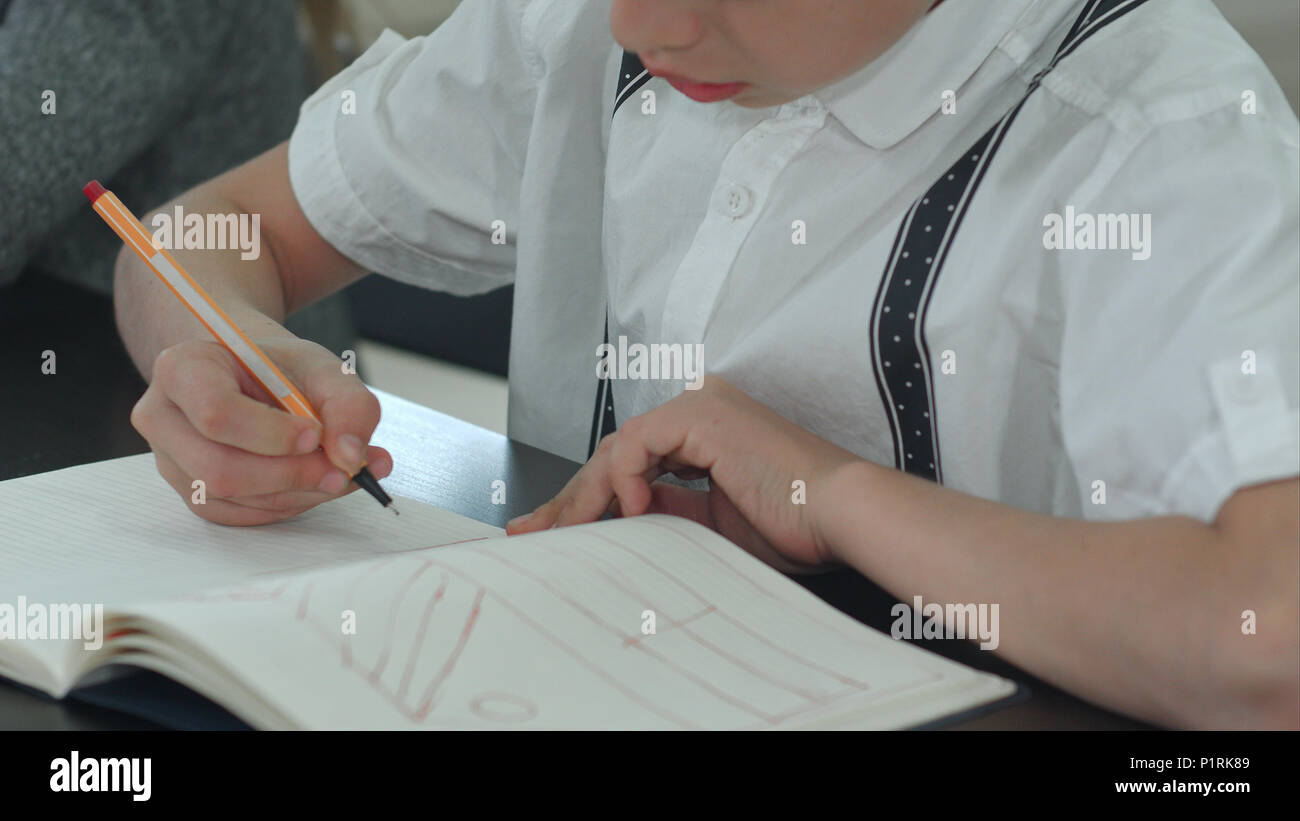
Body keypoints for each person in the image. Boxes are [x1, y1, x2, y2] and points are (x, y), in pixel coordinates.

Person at [113, 0, 1298, 728]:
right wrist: (233, 352)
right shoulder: (579, 24)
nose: (642, 26)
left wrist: (833, 493)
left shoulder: (1158, 138)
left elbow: (1267, 641)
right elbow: (199, 236)